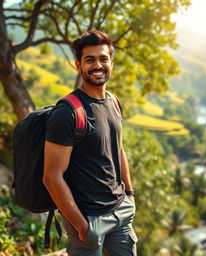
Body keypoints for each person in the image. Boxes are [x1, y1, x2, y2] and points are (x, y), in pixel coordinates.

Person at [43, 30, 137, 256]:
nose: (98, 65)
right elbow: (51, 176)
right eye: (90, 59)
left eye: (103, 58)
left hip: (120, 212)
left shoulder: (114, 102)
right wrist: (82, 227)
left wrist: (130, 194)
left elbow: (118, 149)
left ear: (111, 62)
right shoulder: (67, 113)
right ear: (78, 65)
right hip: (88, 218)